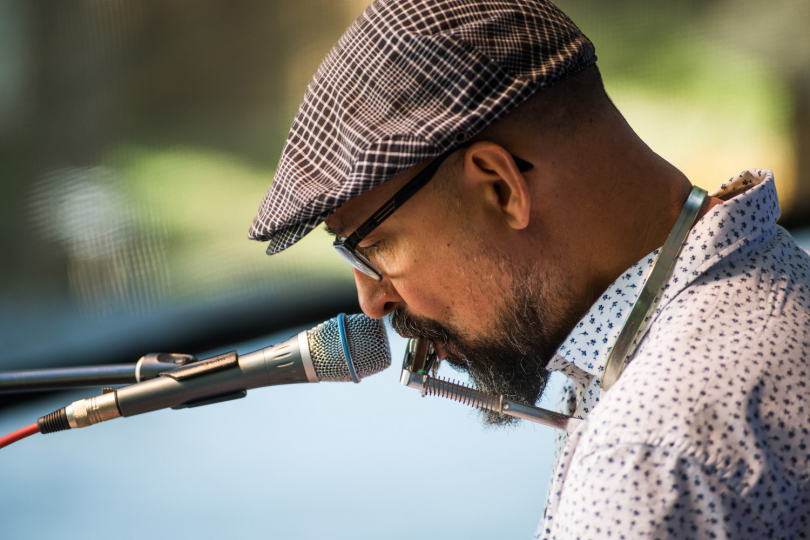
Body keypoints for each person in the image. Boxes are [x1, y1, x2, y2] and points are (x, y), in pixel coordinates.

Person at [249, 0, 810, 537]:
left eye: (372, 247)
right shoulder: (761, 270)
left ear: (498, 186)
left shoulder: (646, 458)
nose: (372, 302)